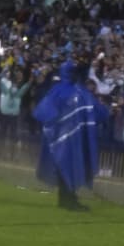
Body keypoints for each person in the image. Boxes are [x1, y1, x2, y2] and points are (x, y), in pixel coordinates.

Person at [32, 55, 105, 211]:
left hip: (59, 138)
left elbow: (41, 112)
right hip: (73, 138)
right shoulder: (79, 92)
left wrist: (55, 127)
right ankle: (69, 200)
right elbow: (99, 113)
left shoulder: (56, 90)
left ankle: (66, 199)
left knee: (63, 167)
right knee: (72, 166)